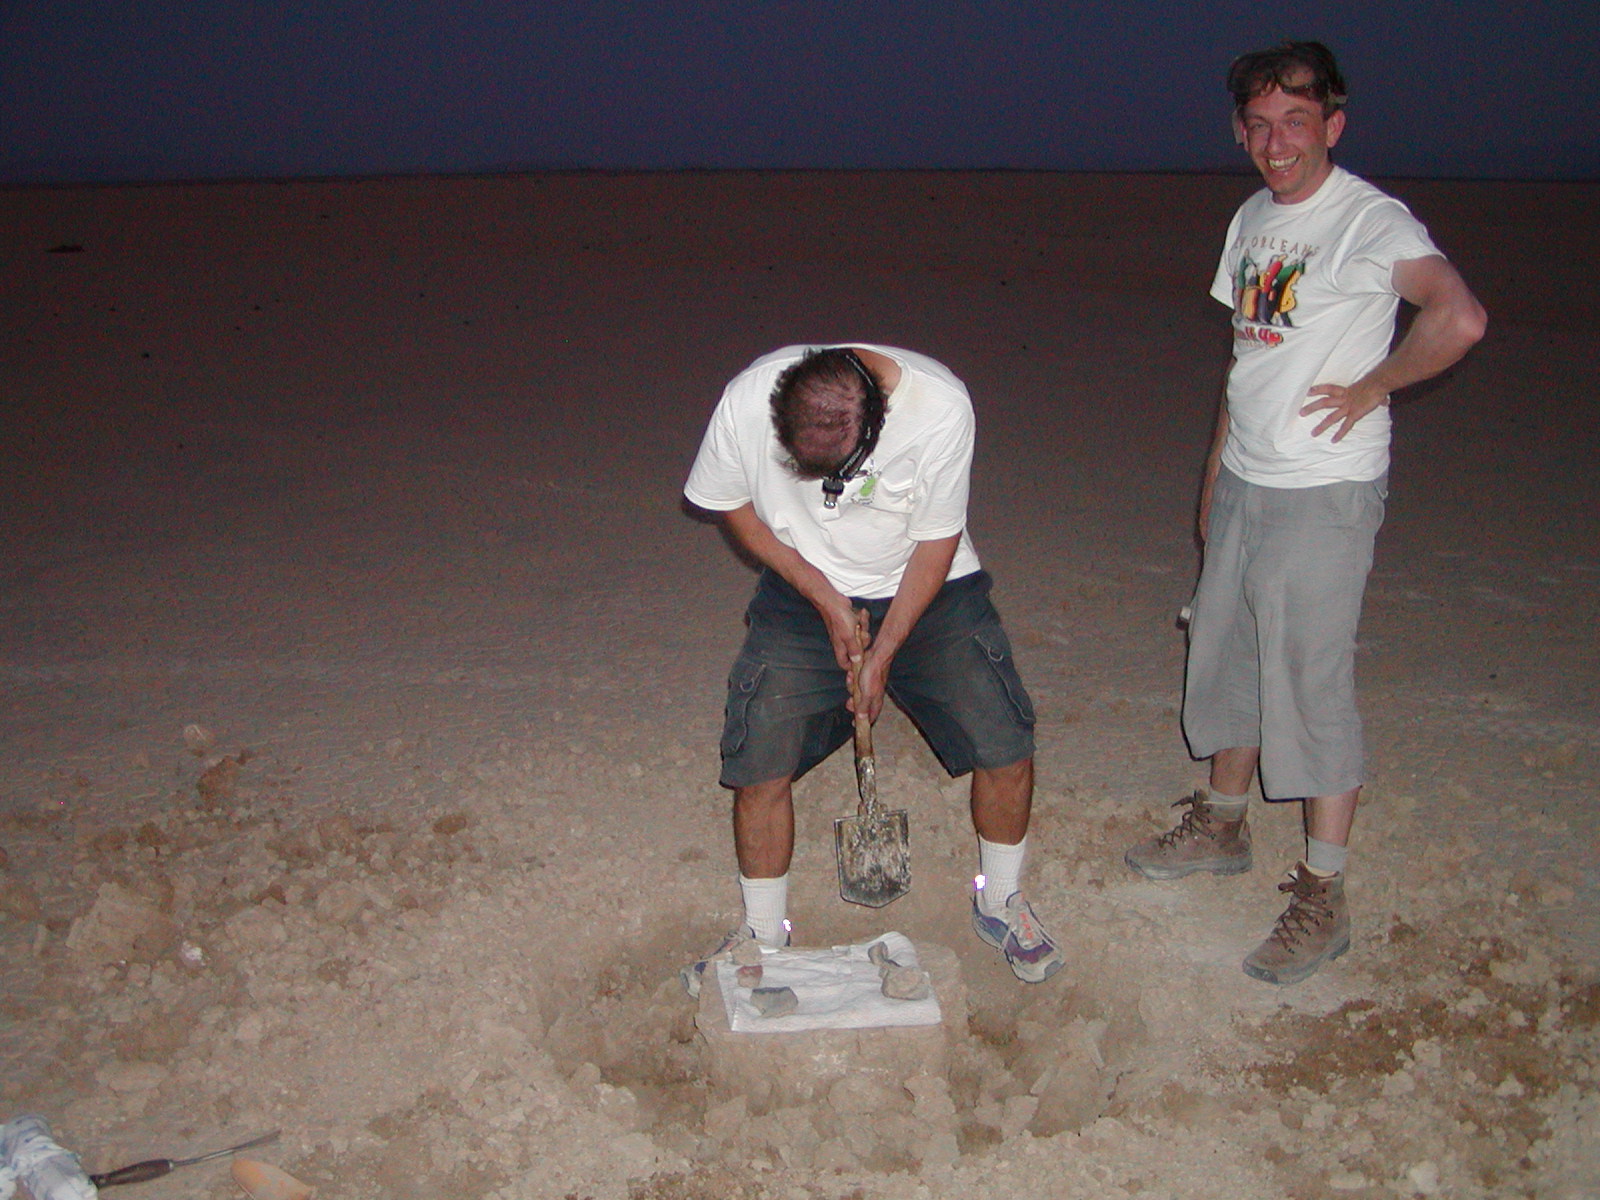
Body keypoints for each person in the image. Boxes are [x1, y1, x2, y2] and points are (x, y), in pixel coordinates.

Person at [1125, 42, 1486, 984]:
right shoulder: (1252, 216)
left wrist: (1376, 385)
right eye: (1259, 124)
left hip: (1324, 492)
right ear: (1241, 130)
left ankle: (1323, 896)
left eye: (1296, 122)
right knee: (1229, 650)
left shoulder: (1370, 218)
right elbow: (1246, 362)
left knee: (1309, 682)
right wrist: (1214, 474)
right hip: (1248, 476)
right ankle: (1221, 825)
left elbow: (1459, 316)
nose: (1276, 142)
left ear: (1333, 124)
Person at [682, 344, 1062, 987]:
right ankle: (763, 935)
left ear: (875, 421)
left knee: (1006, 742)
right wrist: (822, 595)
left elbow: (938, 539)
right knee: (758, 760)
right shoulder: (746, 398)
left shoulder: (940, 406)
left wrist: (883, 653)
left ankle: (998, 899)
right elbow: (729, 502)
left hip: (928, 583)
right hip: (804, 589)